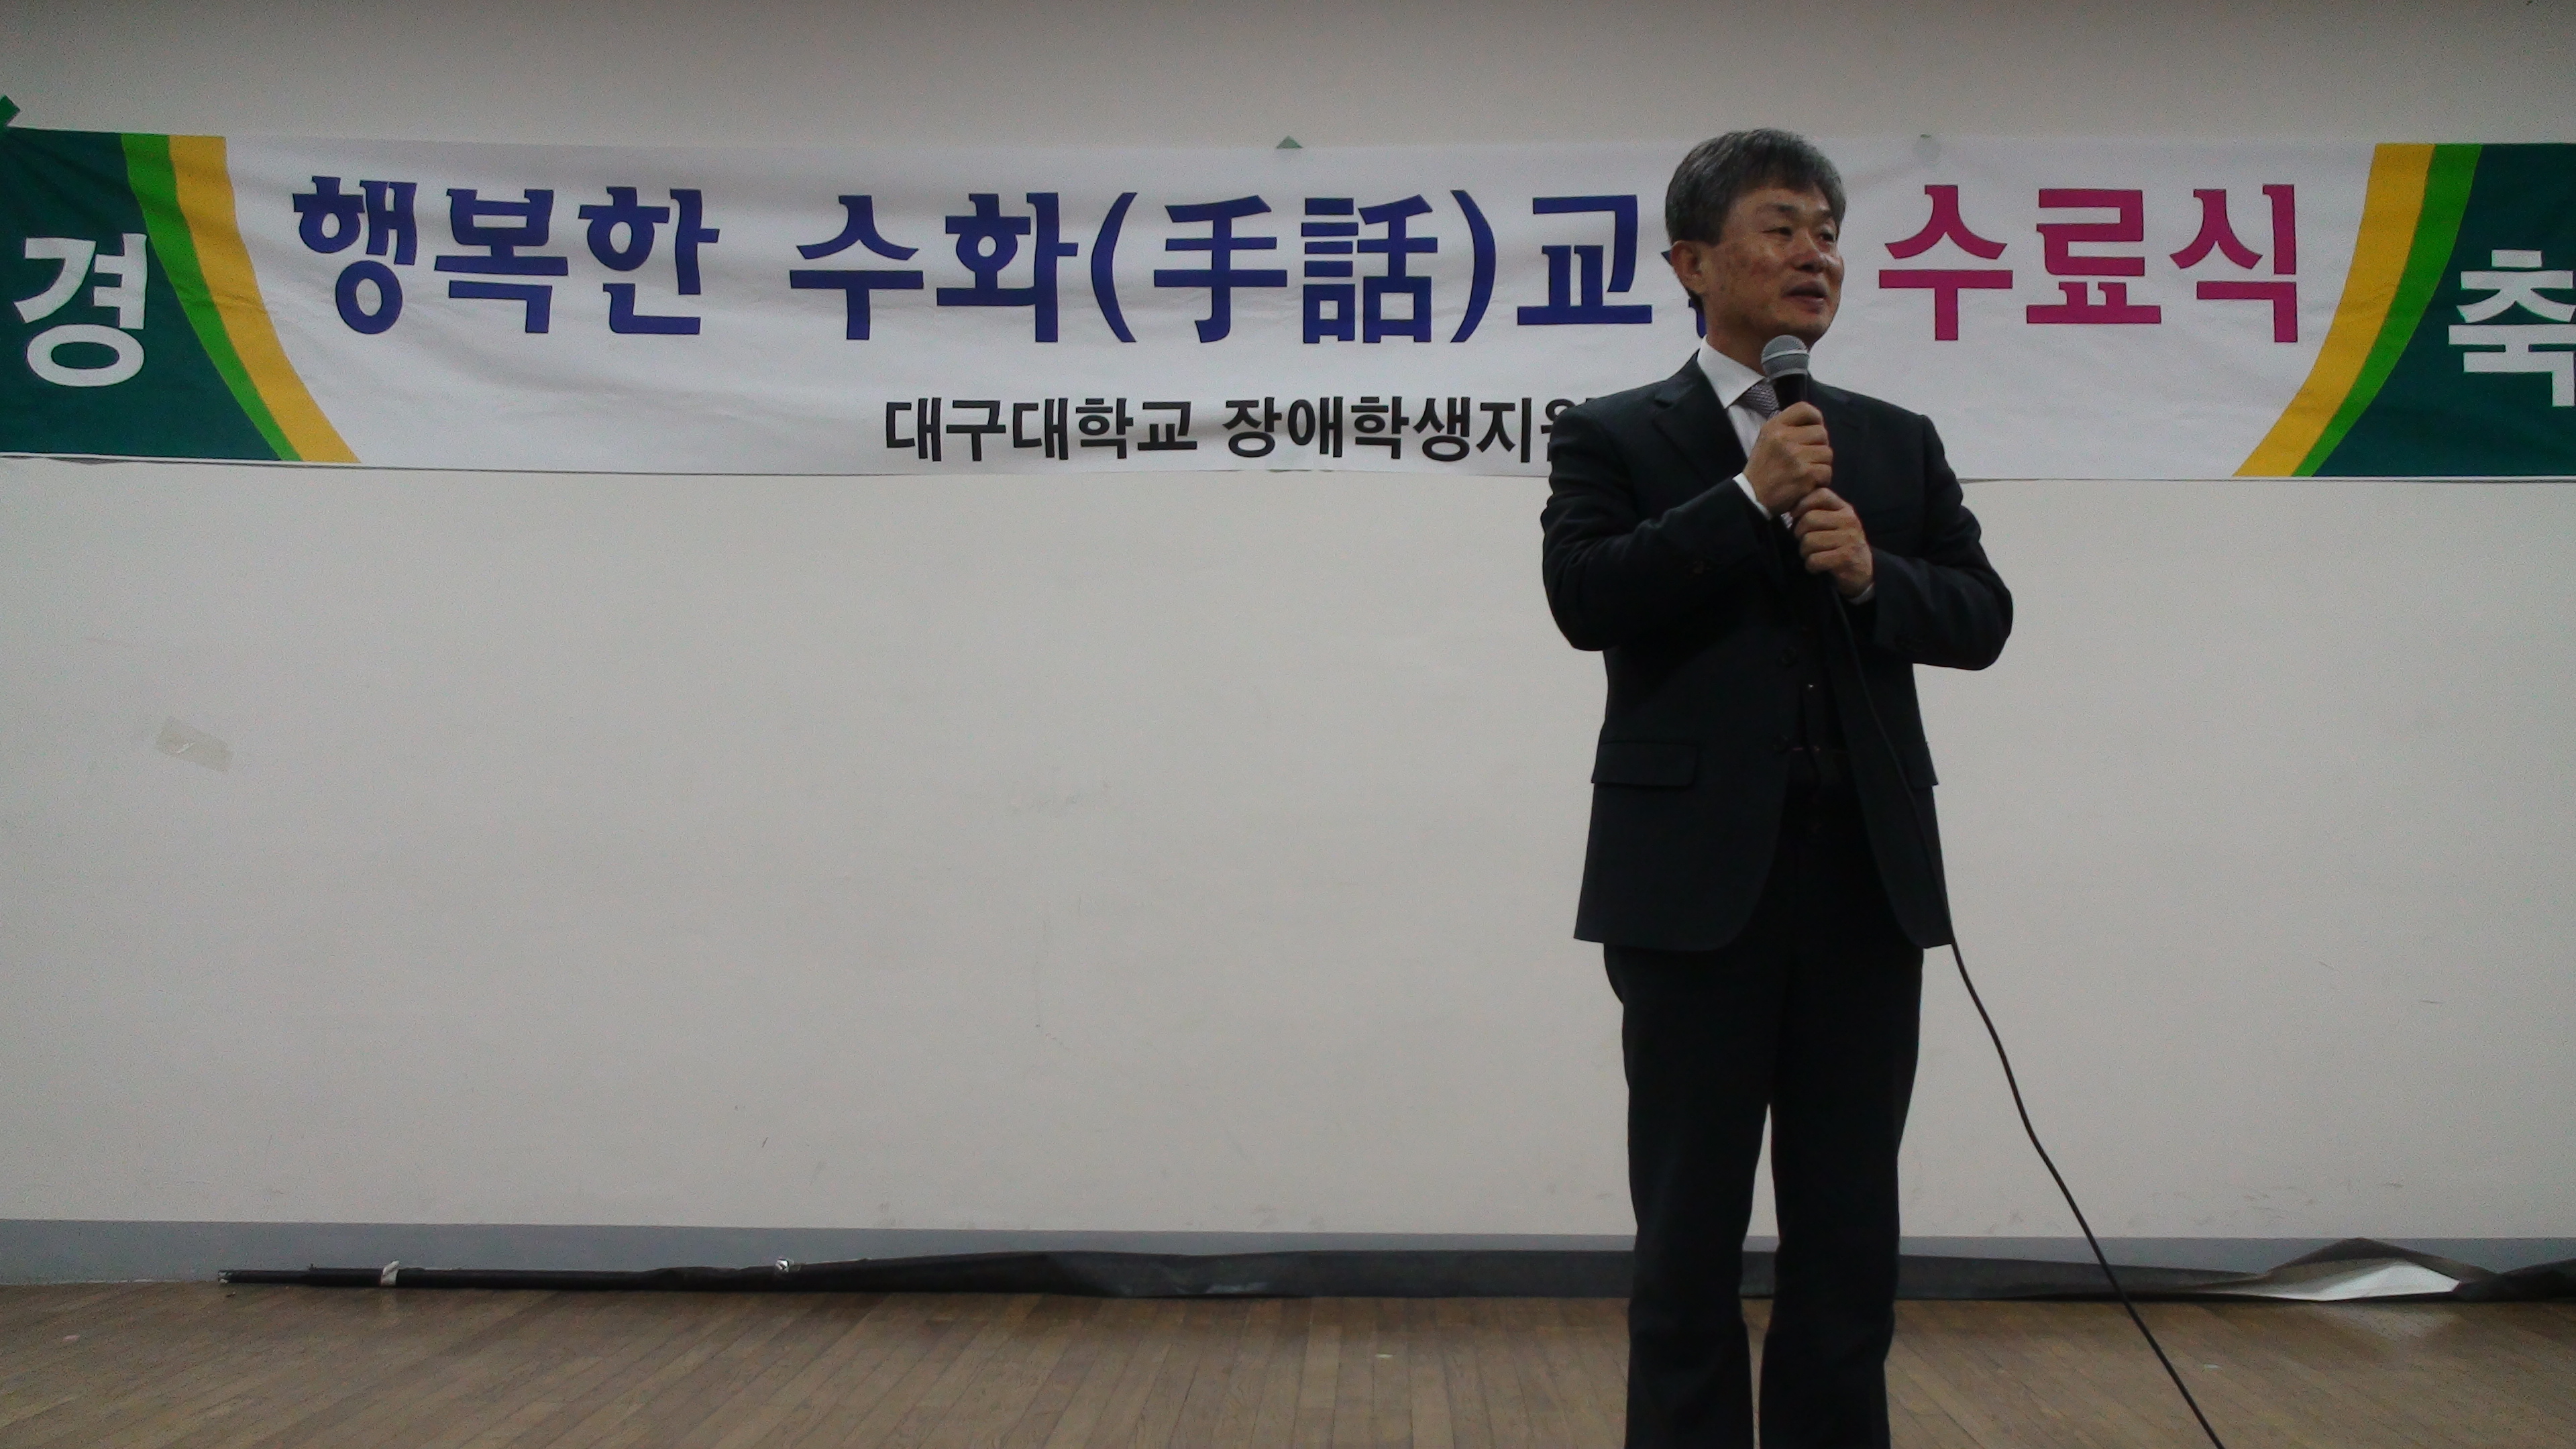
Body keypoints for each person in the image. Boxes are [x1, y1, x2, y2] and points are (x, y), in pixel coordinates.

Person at [1540, 130, 2012, 1448]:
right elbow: (1585, 598)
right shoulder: (1613, 433)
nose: (1816, 255)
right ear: (1693, 263)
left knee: (1850, 1235)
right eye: (1782, 228)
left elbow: (1983, 616)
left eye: (1828, 233)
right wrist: (1746, 500)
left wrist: (1877, 576)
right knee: (1687, 1235)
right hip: (1692, 890)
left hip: (1865, 879)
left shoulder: (1894, 442)